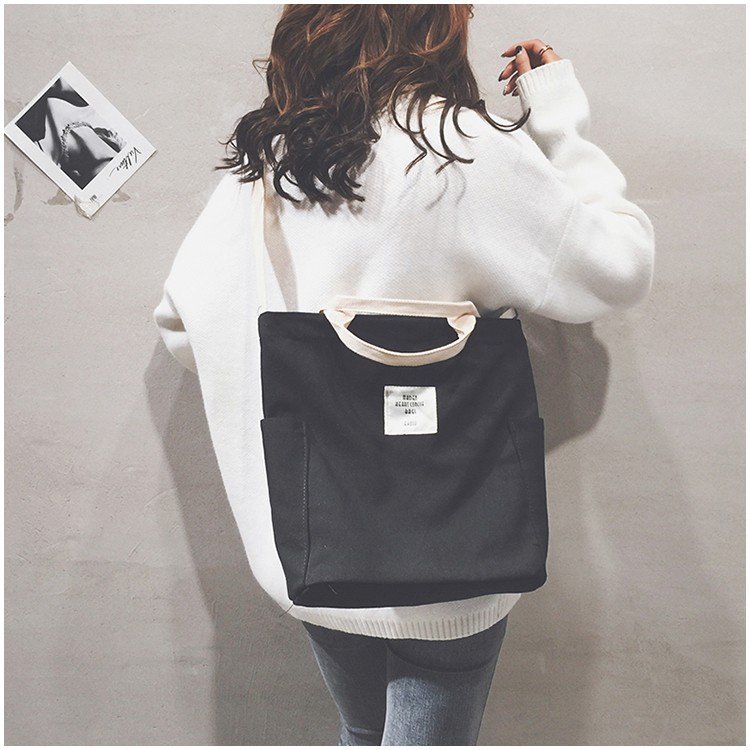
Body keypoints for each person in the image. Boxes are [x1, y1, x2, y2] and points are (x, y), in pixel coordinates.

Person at [153, 5, 655, 745]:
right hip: (455, 560)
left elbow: (179, 323)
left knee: (363, 732)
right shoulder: (464, 150)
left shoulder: (272, 162)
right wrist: (558, 118)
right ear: (433, 25)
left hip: (312, 551)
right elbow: (620, 267)